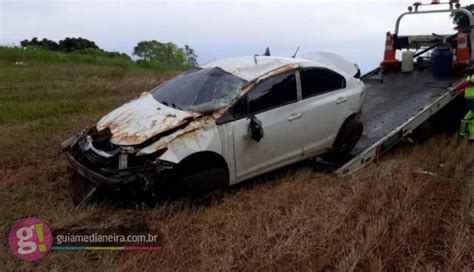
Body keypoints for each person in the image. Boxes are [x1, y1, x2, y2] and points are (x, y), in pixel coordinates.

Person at [449, 71, 474, 140]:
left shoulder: (472, 77)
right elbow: (467, 86)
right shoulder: (470, 76)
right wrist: (459, 91)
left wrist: (455, 88)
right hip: (470, 100)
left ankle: (461, 135)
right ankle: (471, 137)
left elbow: (468, 84)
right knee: (471, 119)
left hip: (472, 101)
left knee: (465, 118)